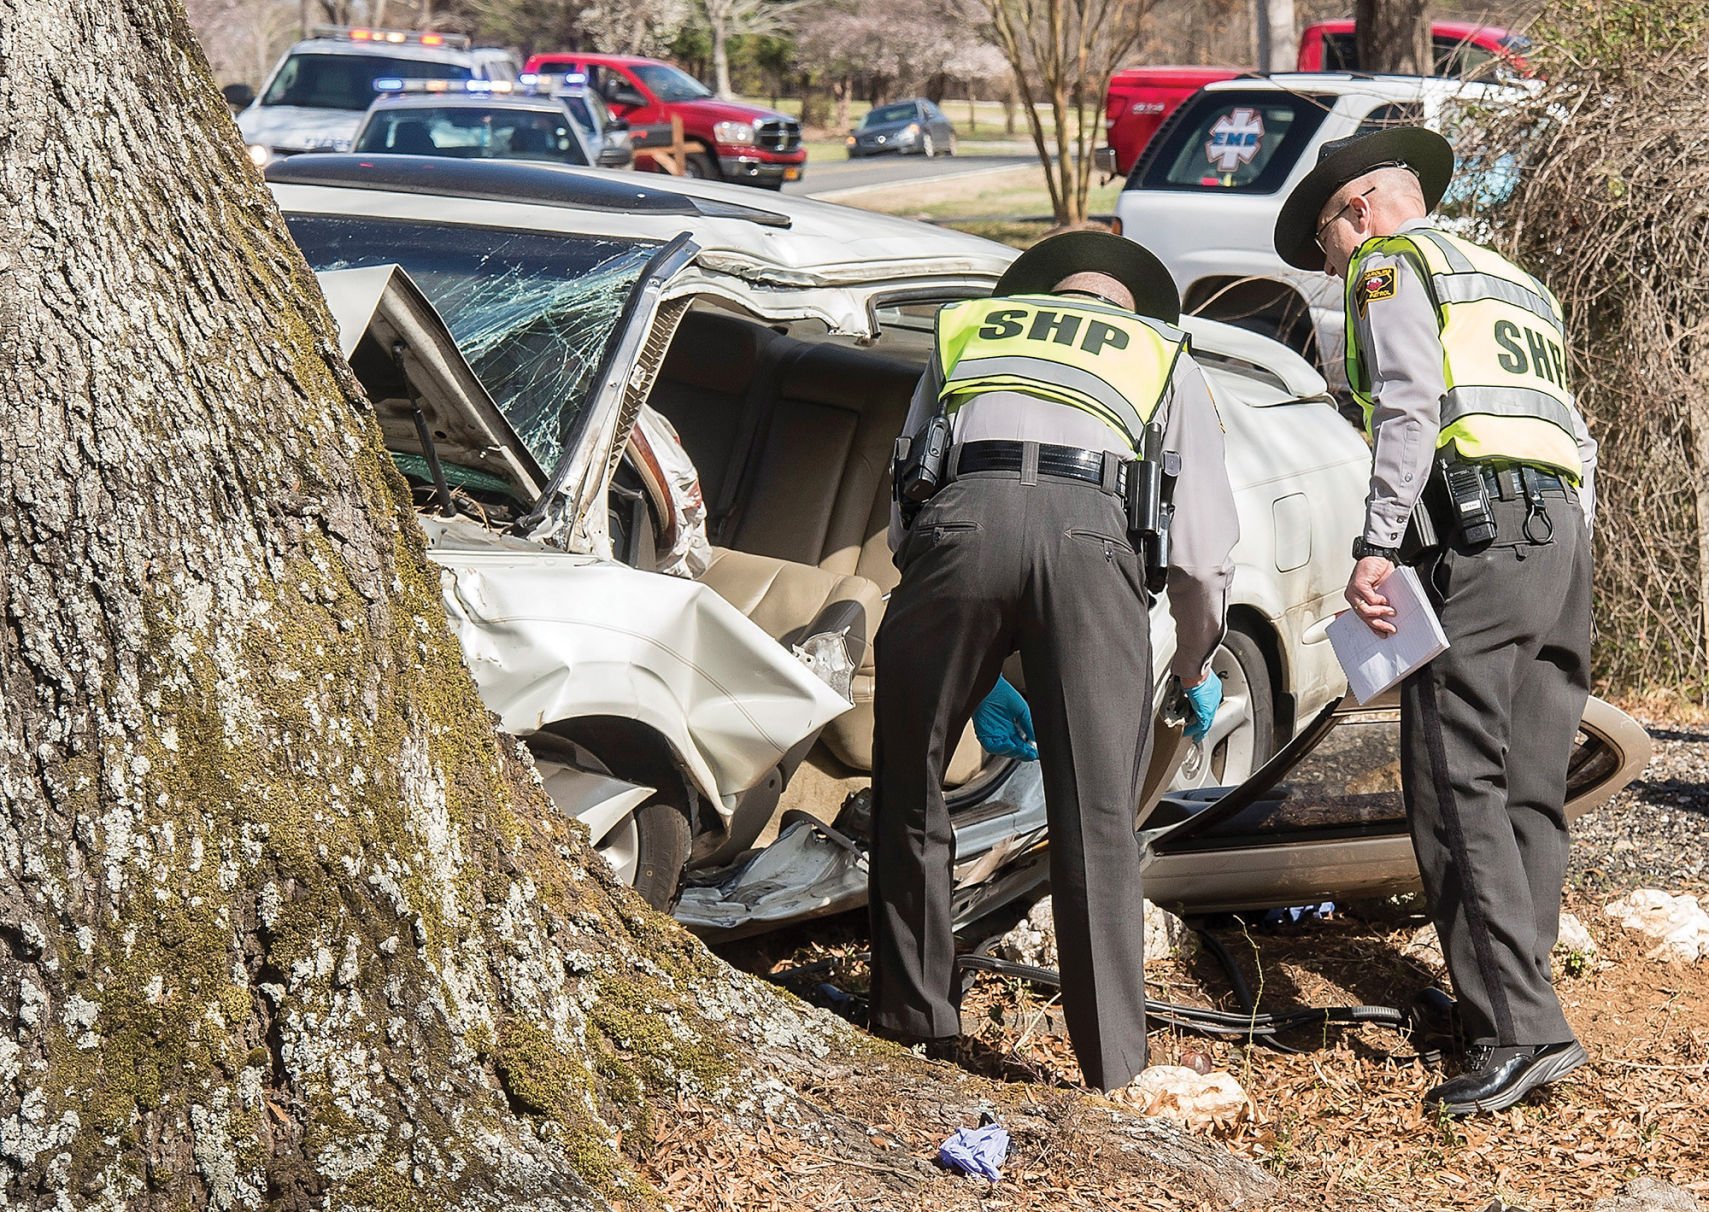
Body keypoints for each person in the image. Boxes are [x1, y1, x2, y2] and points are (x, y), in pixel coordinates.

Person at [1274, 128, 1598, 1115]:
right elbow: (1574, 435)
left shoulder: (1389, 264)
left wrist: (1374, 546)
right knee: (1527, 783)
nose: (1331, 264)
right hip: (1558, 541)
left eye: (1324, 240)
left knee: (1453, 780)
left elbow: (1411, 407)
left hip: (1477, 532)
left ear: (1358, 210)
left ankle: (1518, 1025)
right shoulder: (1508, 279)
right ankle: (1512, 995)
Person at [867, 230, 1237, 1092]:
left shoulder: (969, 331)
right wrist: (1191, 660)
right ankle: (1112, 1067)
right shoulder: (1160, 353)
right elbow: (1202, 550)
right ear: (1123, 304)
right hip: (1088, 536)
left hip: (956, 527)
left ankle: (912, 1021)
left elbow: (902, 493)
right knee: (1096, 812)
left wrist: (964, 639)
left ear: (1042, 296)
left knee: (909, 777)